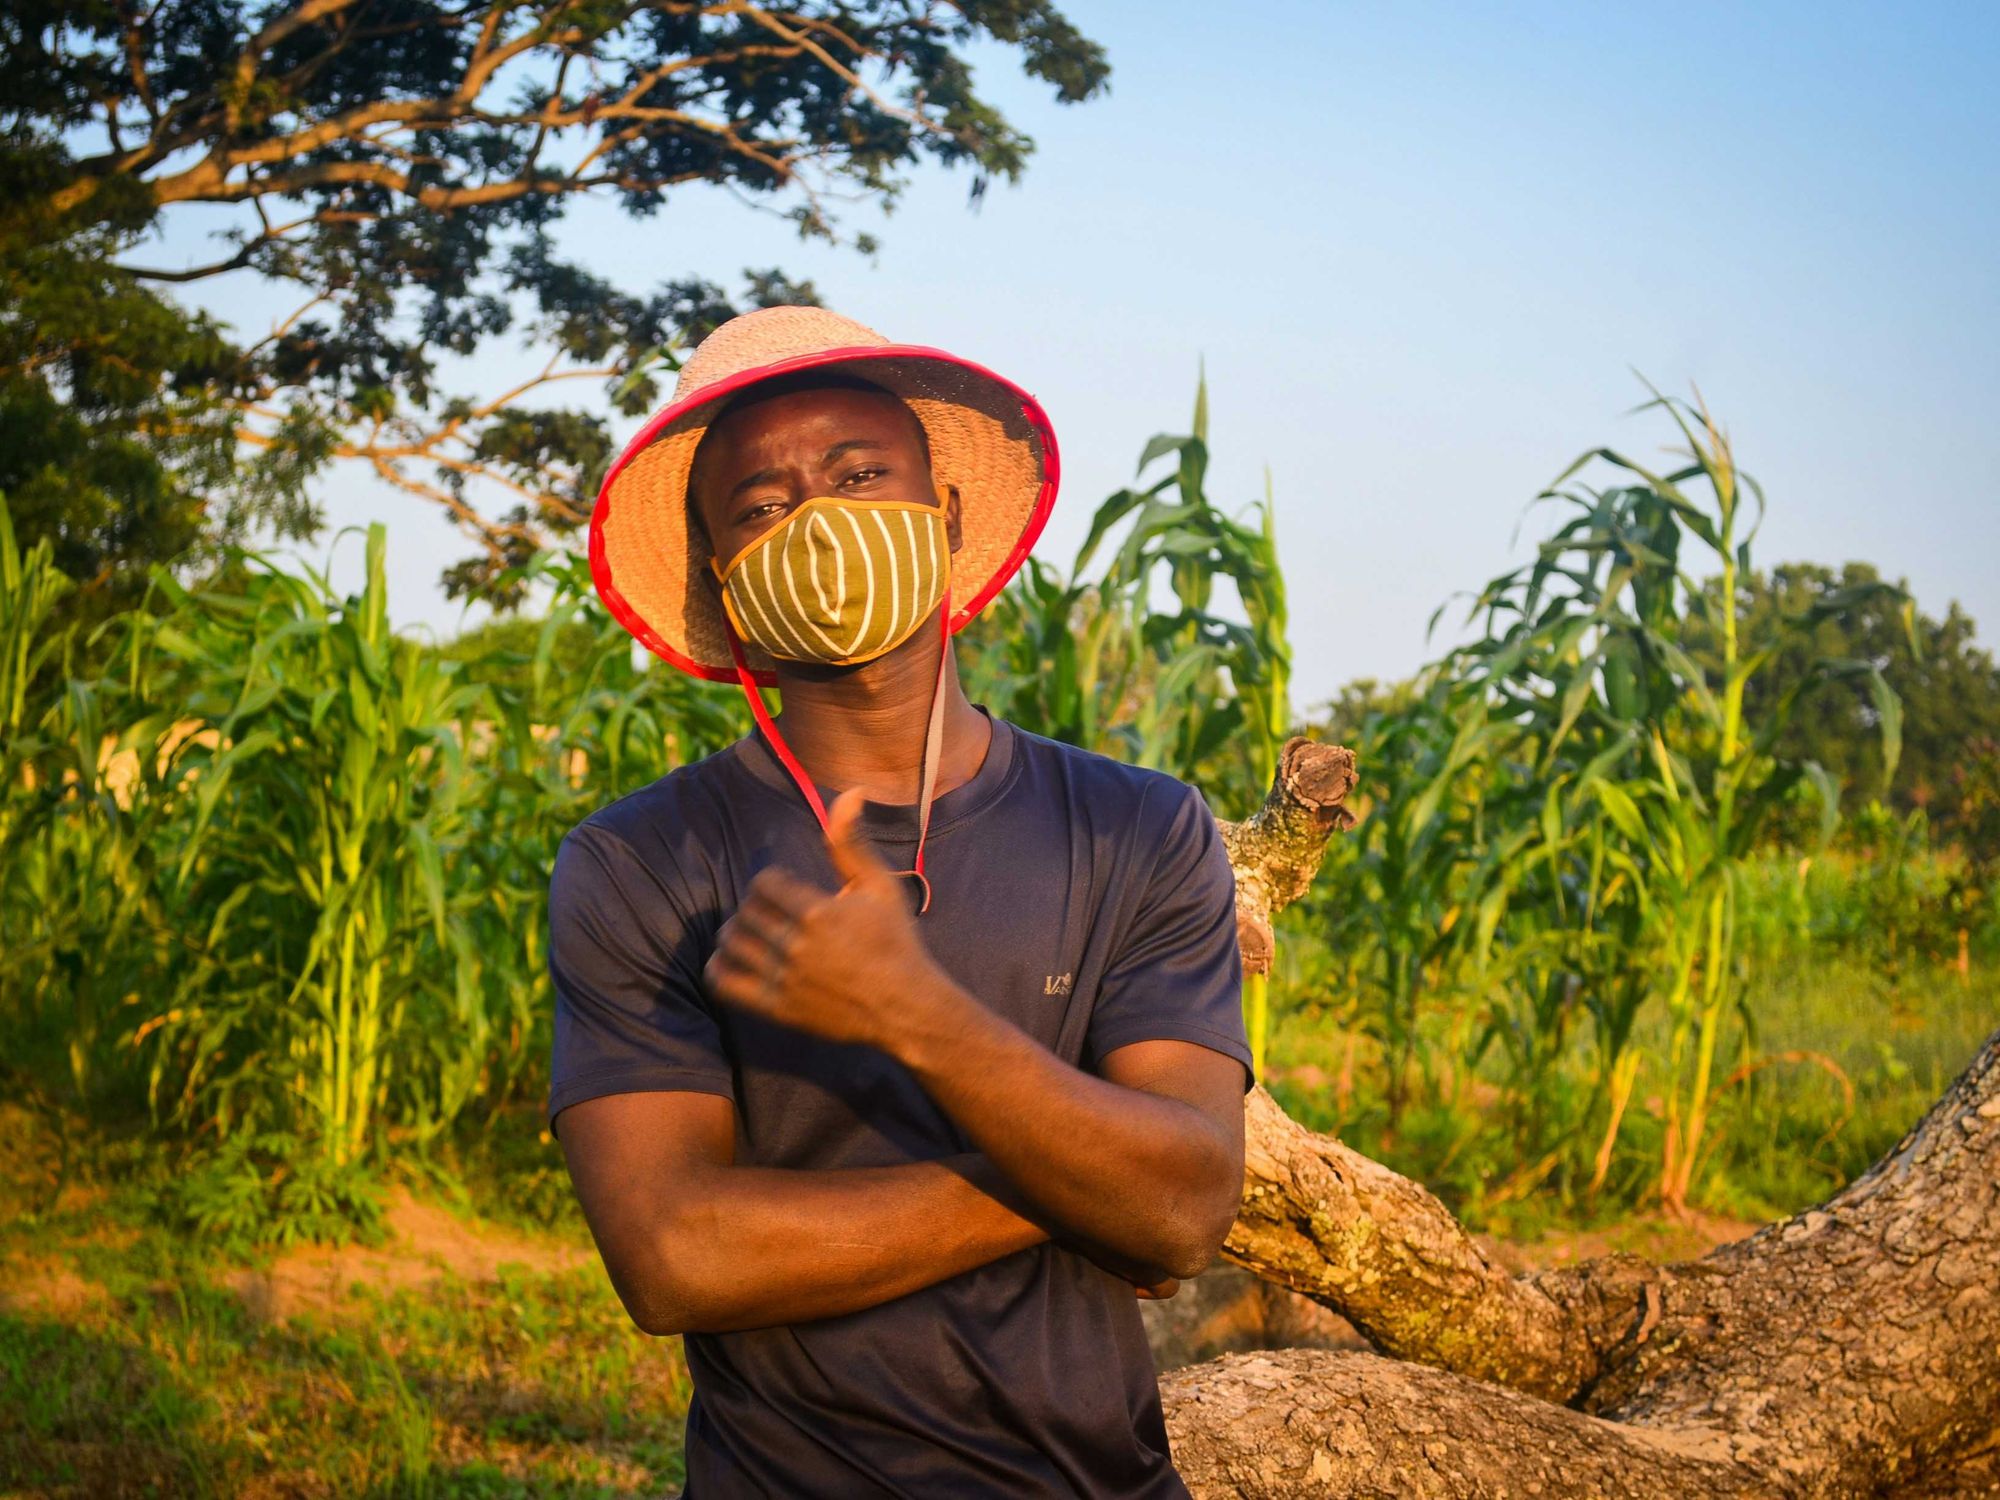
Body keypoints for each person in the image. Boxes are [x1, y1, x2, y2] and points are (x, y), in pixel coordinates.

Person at [548, 306, 1254, 1497]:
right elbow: (672, 1257)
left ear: (948, 517)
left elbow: (1183, 1209)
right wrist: (1081, 1195)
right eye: (761, 507)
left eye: (859, 474)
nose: (816, 520)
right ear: (725, 588)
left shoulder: (1136, 827)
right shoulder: (641, 864)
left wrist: (912, 1013)